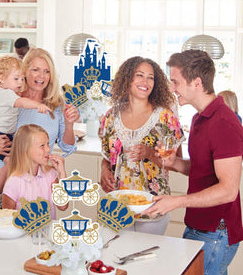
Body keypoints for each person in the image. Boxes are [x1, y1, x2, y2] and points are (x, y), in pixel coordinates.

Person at [144, 49, 243, 275]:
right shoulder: (200, 118)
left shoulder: (224, 123)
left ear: (197, 83)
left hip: (215, 232)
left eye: (176, 82)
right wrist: (174, 163)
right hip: (200, 227)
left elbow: (228, 190)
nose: (172, 88)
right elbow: (202, 169)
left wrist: (176, 202)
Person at [0, 47, 79, 207]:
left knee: (33, 220)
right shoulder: (9, 98)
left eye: (47, 71)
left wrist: (69, 125)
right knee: (1, 222)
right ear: (24, 72)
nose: (41, 76)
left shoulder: (57, 105)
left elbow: (67, 147)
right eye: (35, 70)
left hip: (35, 182)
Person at [99, 56, 185, 235]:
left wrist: (149, 153)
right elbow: (107, 157)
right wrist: (104, 170)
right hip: (118, 208)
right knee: (116, 251)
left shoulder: (166, 117)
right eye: (139, 75)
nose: (145, 82)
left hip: (153, 207)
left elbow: (176, 163)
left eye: (150, 77)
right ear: (127, 78)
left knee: (147, 253)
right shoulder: (110, 117)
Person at [0, 55, 51, 207]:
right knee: (11, 162)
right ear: (1, 78)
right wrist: (37, 105)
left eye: (22, 79)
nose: (20, 83)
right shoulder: (7, 94)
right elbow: (22, 103)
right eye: (16, 79)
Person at [2, 124, 68, 219]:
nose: (48, 149)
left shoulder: (50, 174)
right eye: (42, 146)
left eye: (48, 144)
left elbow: (63, 206)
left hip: (48, 229)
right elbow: (6, 220)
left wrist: (62, 173)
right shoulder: (14, 182)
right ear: (26, 150)